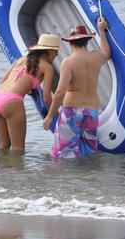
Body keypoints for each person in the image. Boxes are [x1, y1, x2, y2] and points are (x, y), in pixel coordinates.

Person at [42, 16, 110, 158]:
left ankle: (67, 180)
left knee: (63, 153)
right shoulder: (96, 57)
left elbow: (60, 92)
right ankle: (86, 178)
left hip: (71, 111)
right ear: (87, 40)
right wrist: (101, 31)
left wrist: (49, 116)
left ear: (70, 42)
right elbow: (106, 52)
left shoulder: (68, 62)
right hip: (91, 111)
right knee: (88, 152)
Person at [0, 33, 60, 153]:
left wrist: (25, 86)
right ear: (49, 50)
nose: (57, 54)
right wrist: (57, 116)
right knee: (18, 150)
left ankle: (0, 171)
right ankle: (18, 172)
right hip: (11, 101)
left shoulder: (21, 60)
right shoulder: (47, 67)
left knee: (3, 146)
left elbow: (3, 80)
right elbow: (47, 98)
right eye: (55, 51)